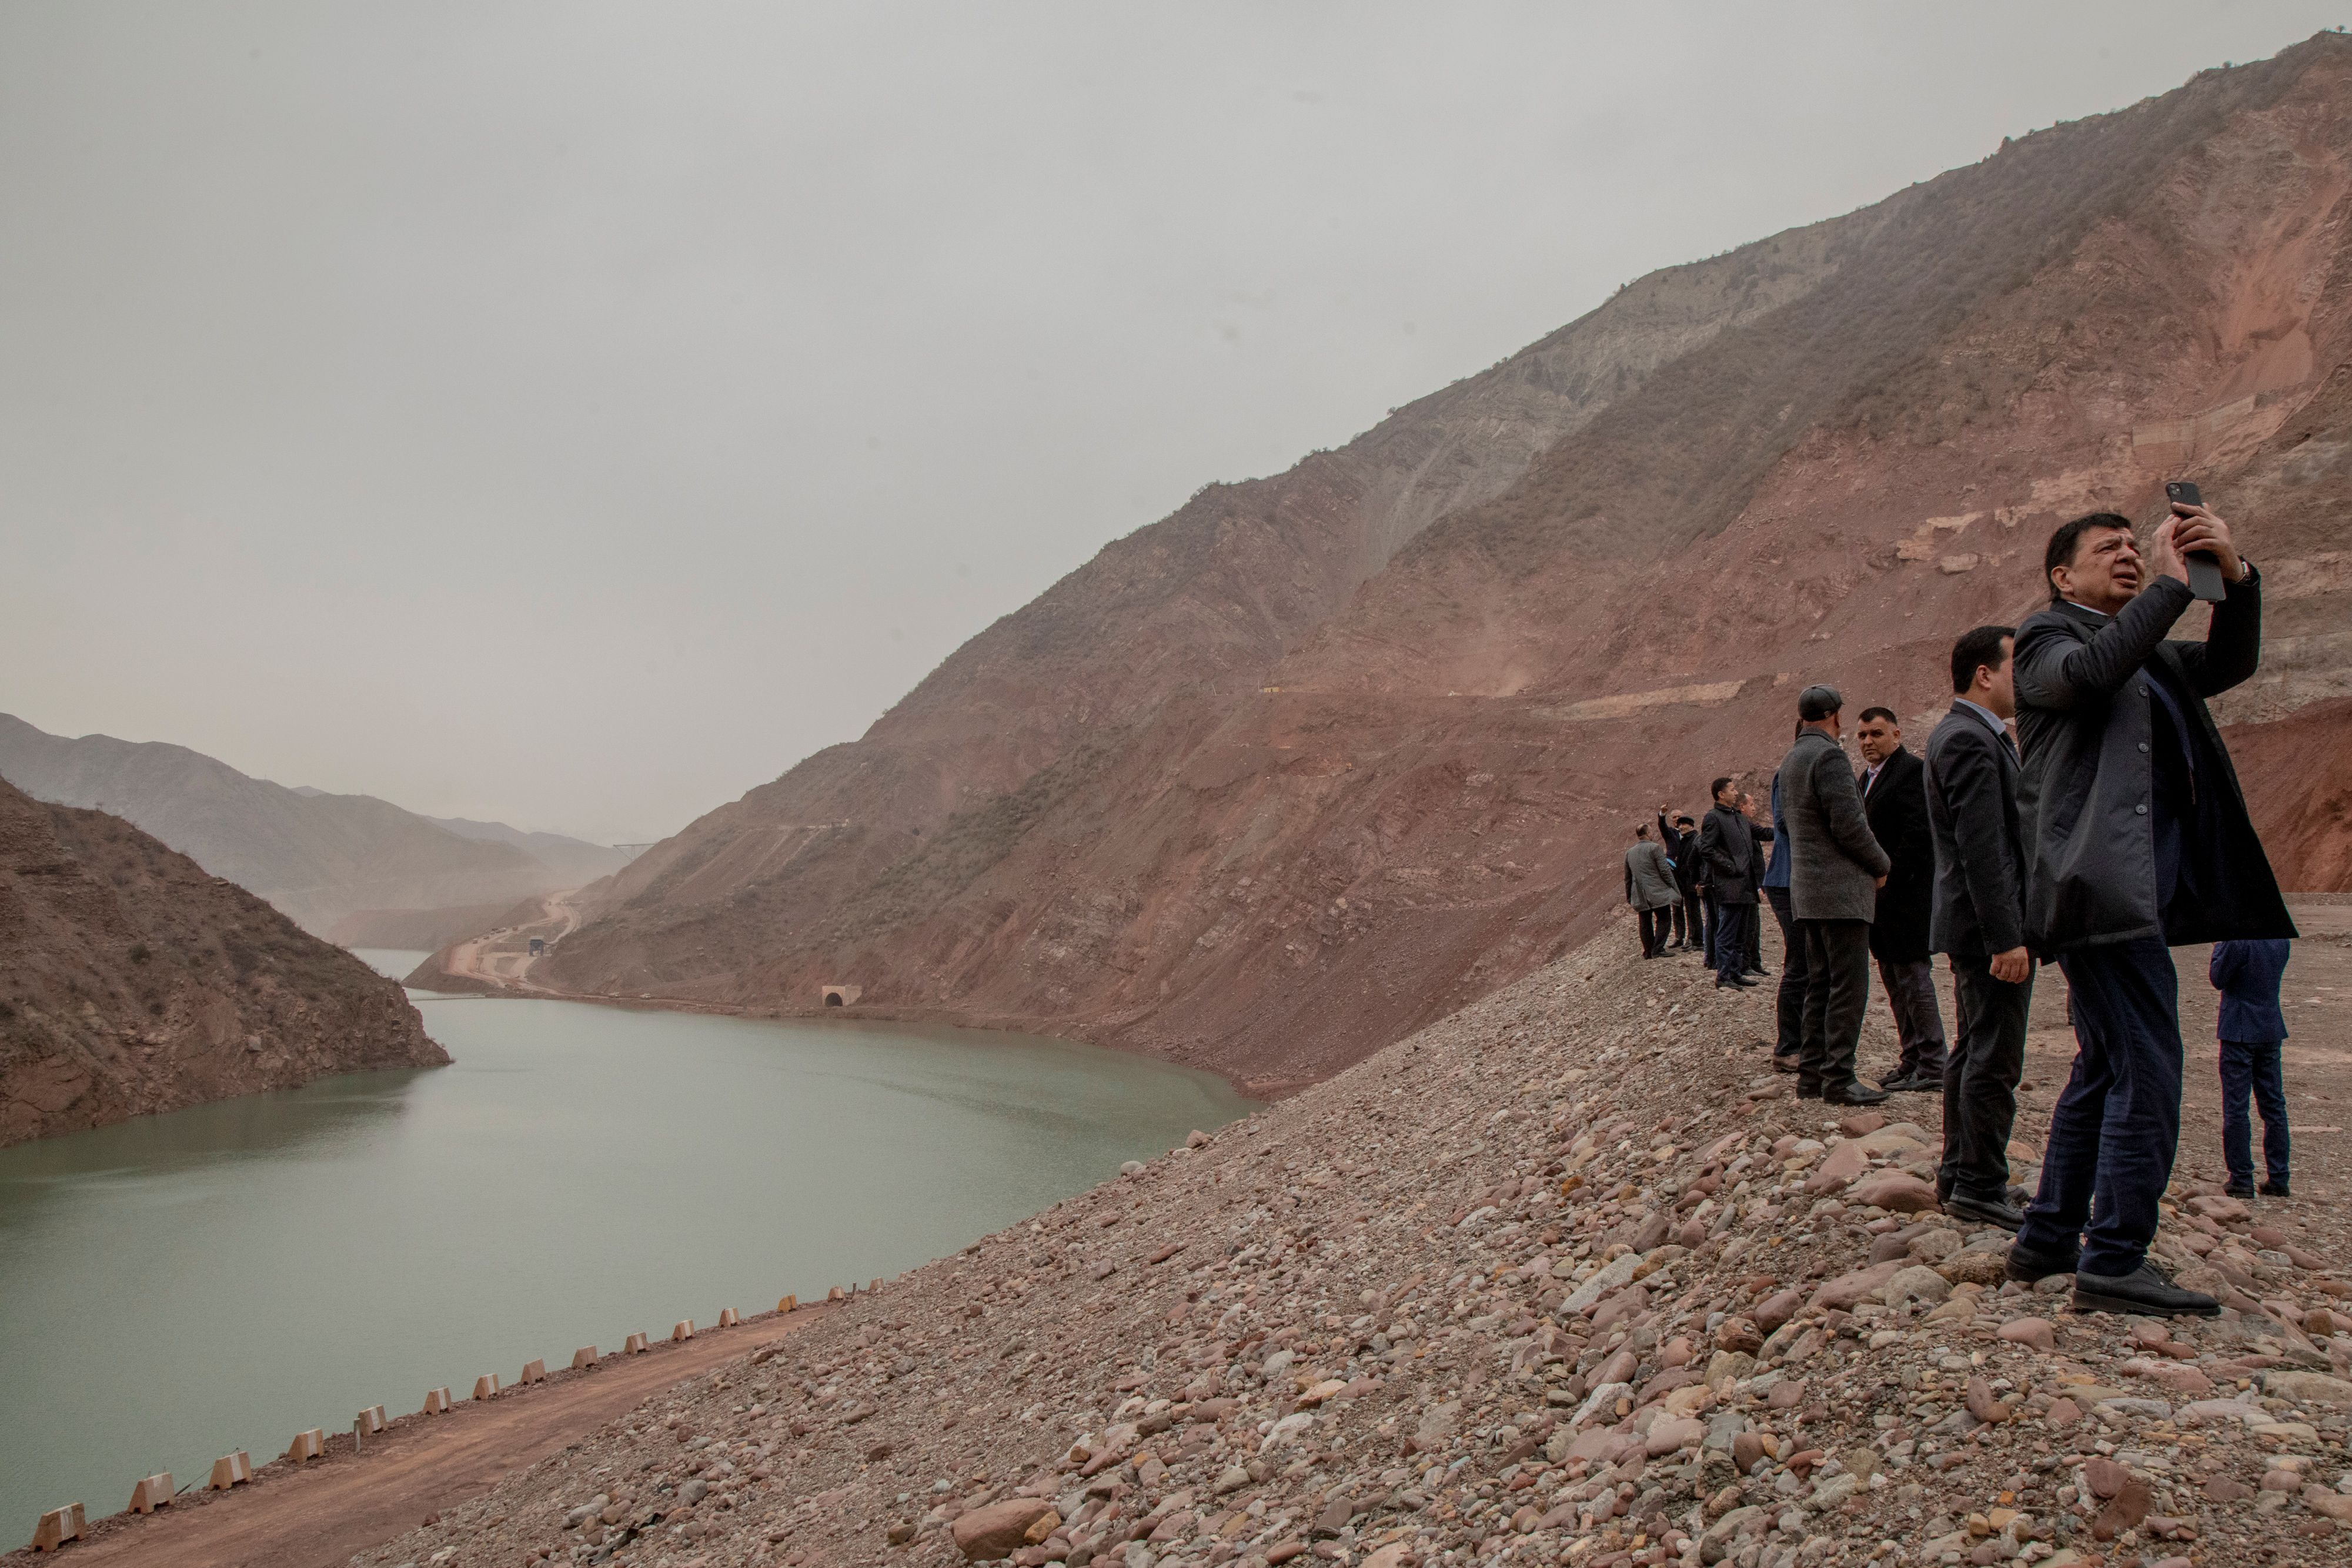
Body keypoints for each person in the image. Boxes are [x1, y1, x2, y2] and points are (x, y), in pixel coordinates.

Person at [2005, 503, 2296, 1319]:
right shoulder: (2046, 640)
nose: (2130, 556)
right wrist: (2173, 584)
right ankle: (2117, 1256)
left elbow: (2231, 663)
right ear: (2064, 576)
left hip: (2126, 890)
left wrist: (2231, 577)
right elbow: (2091, 670)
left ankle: (2050, 1237)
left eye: (2138, 547)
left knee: (2103, 1062)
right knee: (2149, 1067)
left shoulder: (2147, 655)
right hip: (2096, 887)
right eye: (2110, 550)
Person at [1925, 626, 2034, 1231]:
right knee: (1993, 1057)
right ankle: (1979, 1183)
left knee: (1972, 1050)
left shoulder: (1966, 734)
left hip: (1974, 927)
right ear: (1983, 674)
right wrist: (2007, 937)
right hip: (1987, 930)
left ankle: (1960, 1172)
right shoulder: (1969, 739)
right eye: (2017, 663)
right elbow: (1983, 848)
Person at [1780, 684, 1891, 1105]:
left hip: (1808, 892)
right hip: (1841, 894)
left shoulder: (1792, 758)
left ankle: (1812, 1077)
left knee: (1819, 985)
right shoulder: (1829, 756)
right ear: (1836, 717)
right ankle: (1840, 1078)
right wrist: (1882, 864)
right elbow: (1849, 826)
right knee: (1848, 987)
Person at [1856, 707, 1947, 1091]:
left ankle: (1933, 1061)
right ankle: (1911, 1058)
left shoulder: (1911, 770)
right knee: (1894, 978)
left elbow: (1918, 834)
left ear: (1896, 733)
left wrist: (1888, 879)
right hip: (1881, 902)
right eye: (1862, 736)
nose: (1868, 742)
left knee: (1913, 976)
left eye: (1876, 734)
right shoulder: (1866, 779)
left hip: (1906, 898)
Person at [2211, 938, 2292, 1199]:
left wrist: (2220, 946)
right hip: (2270, 1026)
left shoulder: (2236, 940)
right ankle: (2279, 1178)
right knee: (2274, 1105)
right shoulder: (2280, 938)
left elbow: (2217, 978)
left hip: (2238, 1028)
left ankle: (2241, 1178)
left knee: (2236, 1107)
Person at [1760, 728, 1809, 1072]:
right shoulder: (1791, 772)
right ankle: (1789, 1046)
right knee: (1801, 962)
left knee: (1807, 961)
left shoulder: (1795, 769)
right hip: (1788, 881)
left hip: (1793, 880)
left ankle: (1802, 1041)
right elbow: (1785, 823)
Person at [1694, 777, 1766, 990]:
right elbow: (1706, 849)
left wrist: (1785, 829)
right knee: (1727, 932)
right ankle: (1724, 976)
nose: (1736, 793)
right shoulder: (1713, 818)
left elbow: (1761, 833)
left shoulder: (1739, 818)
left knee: (1741, 933)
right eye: (1732, 790)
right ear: (1721, 795)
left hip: (1746, 886)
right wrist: (1730, 866)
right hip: (1730, 886)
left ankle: (1735, 972)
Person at [1623, 822, 1680, 959]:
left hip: (1639, 894)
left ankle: (1648, 951)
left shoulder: (1629, 853)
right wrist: (1674, 888)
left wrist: (1630, 896)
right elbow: (1665, 871)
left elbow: (1628, 878)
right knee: (1664, 919)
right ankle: (1658, 948)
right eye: (1652, 832)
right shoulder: (1655, 848)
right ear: (1648, 834)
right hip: (1657, 892)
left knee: (1644, 922)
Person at [1655, 808, 1703, 952]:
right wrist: (1662, 815)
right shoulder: (1671, 834)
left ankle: (1693, 937)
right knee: (1677, 906)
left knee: (1691, 909)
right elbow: (1662, 827)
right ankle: (1679, 936)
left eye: (1680, 818)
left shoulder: (1692, 838)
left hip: (1689, 878)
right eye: (1675, 818)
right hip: (1675, 876)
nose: (1678, 821)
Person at [1739, 793, 1768, 976]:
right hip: (1748, 885)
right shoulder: (1743, 826)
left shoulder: (1745, 825)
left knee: (1755, 925)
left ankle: (1754, 963)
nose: (1754, 807)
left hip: (1754, 884)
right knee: (1748, 926)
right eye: (1751, 803)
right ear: (1742, 807)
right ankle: (1746, 964)